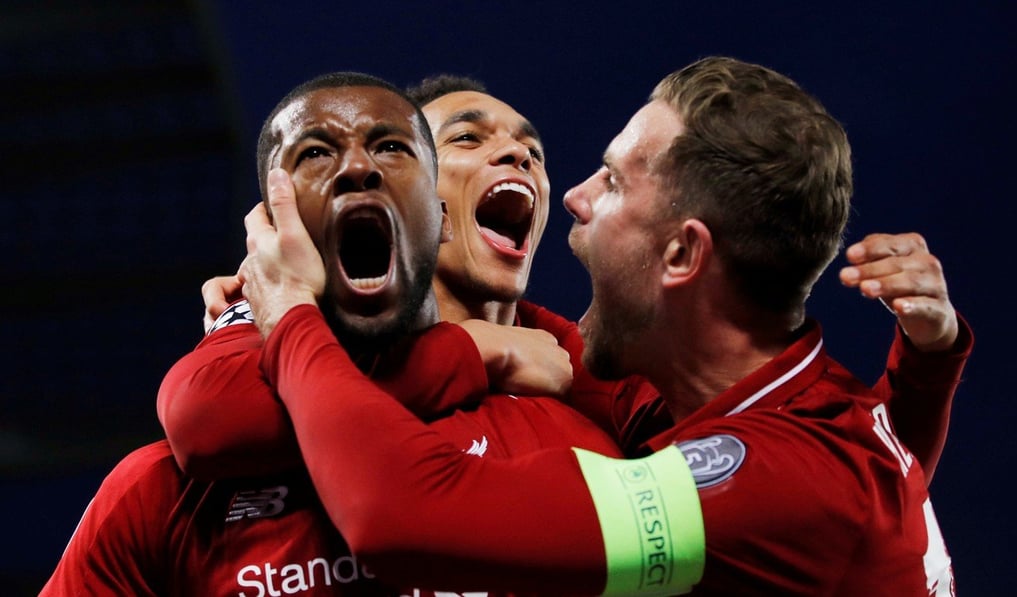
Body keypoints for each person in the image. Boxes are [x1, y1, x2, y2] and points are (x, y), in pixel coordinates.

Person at [237, 57, 961, 595]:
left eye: (612, 182)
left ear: (681, 253)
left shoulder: (769, 481)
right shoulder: (779, 404)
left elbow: (403, 515)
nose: (577, 197)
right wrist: (934, 358)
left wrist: (292, 312)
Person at [160, 75, 971, 484]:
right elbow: (206, 416)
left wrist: (927, 359)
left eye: (531, 149)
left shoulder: (590, 375)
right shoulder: (288, 327)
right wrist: (480, 348)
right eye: (467, 139)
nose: (516, 154)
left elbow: (838, 479)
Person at [41, 72, 620, 596]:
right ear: (273, 226)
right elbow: (202, 412)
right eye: (318, 152)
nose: (358, 169)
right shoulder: (162, 491)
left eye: (392, 149)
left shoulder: (580, 439)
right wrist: (468, 348)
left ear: (438, 218)